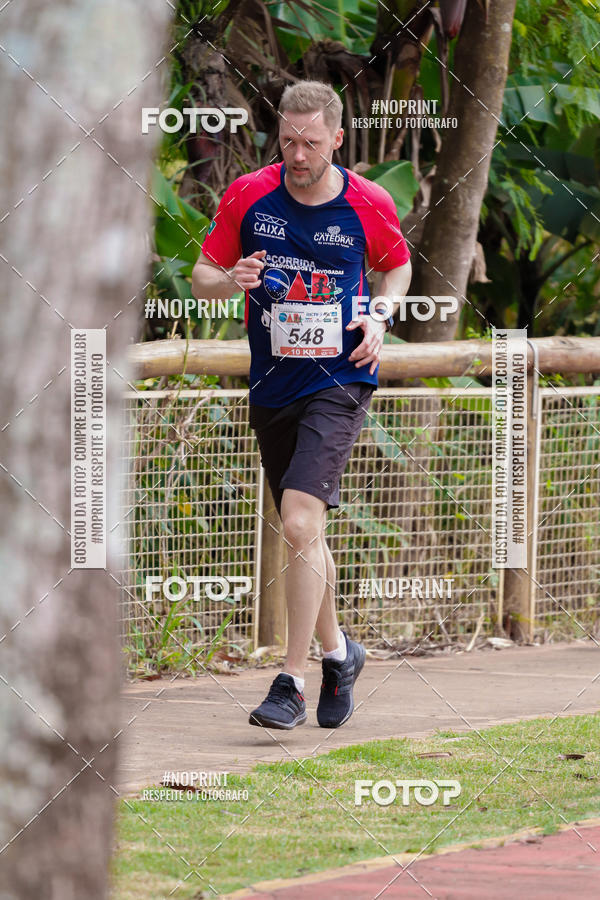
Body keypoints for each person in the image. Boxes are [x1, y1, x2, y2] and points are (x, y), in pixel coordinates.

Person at [192, 80, 412, 730]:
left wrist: (380, 316)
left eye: (311, 141)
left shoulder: (366, 202)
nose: (297, 153)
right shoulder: (250, 197)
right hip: (273, 385)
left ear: (336, 139)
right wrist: (229, 278)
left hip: (341, 377)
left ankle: (290, 679)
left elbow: (397, 265)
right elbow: (203, 277)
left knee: (296, 522)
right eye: (288, 139)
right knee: (304, 531)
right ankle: (340, 654)